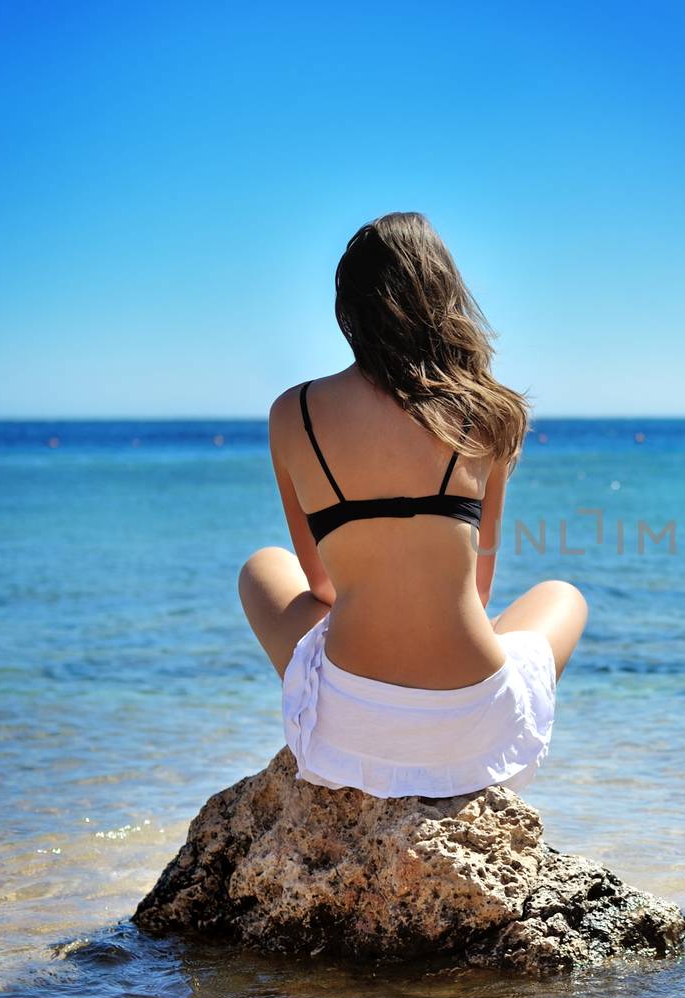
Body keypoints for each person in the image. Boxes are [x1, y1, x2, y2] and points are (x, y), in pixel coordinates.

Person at [237, 212, 586, 799]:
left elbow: (321, 584)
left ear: (347, 307)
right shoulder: (490, 411)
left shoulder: (291, 413)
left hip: (351, 727)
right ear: (445, 295)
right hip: (475, 725)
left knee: (261, 568)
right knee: (562, 597)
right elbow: (478, 588)